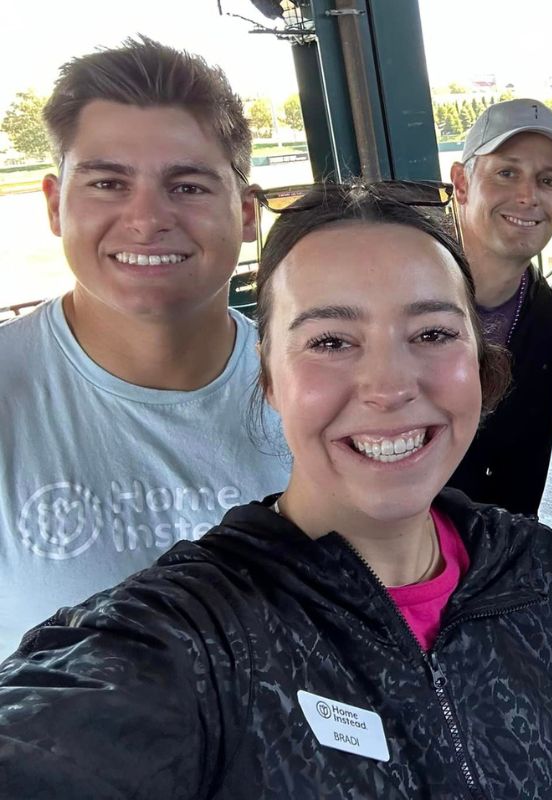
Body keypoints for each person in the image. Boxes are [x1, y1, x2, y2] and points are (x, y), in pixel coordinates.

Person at [0, 182, 552, 799]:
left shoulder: (546, 573)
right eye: (330, 342)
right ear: (269, 378)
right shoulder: (201, 639)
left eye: (431, 333)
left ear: (478, 361)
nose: (389, 386)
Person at [0, 37, 289, 657]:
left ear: (245, 214)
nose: (146, 219)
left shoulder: (320, 385)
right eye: (108, 183)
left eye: (187, 186)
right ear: (55, 205)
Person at [446, 98, 552, 515]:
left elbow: (524, 474)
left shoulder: (550, 323)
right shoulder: (393, 293)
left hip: (493, 559)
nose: (527, 196)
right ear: (461, 184)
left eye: (548, 180)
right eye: (507, 173)